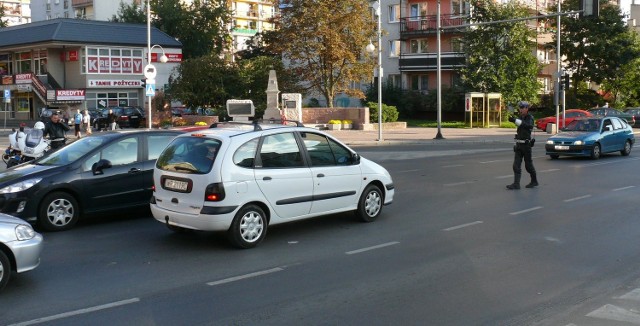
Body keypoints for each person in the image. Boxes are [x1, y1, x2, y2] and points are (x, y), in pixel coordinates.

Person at [506, 101, 538, 190]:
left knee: (528, 166)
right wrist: (515, 144)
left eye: (522, 107)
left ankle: (534, 181)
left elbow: (528, 126)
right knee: (516, 165)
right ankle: (516, 184)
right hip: (519, 145)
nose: (520, 109)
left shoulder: (530, 117)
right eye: (520, 107)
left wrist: (515, 120)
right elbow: (519, 130)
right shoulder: (520, 117)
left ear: (527, 109)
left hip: (526, 145)